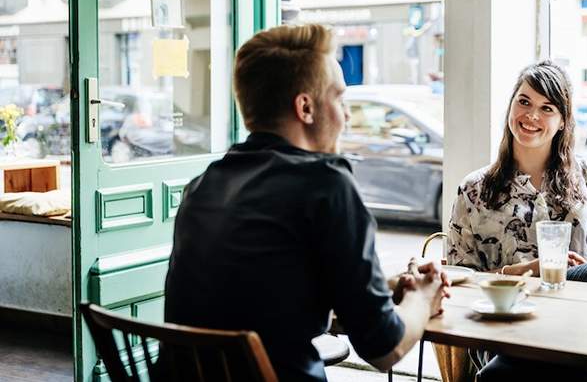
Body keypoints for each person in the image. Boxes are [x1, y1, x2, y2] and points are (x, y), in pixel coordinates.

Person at [164, 24, 449, 382]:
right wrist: (424, 297)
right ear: (306, 107)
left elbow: (268, 296)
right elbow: (383, 347)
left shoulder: (203, 185)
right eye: (340, 99)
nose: (346, 117)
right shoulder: (326, 183)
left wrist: (387, 285)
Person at [447, 60, 587, 381]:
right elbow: (459, 284)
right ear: (510, 105)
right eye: (523, 101)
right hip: (514, 334)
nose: (532, 116)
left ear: (563, 122)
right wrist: (523, 272)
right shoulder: (474, 190)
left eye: (547, 108)